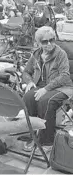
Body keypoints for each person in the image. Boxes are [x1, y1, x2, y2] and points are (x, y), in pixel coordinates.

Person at [22, 26, 73, 154]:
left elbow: (65, 75)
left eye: (52, 40)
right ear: (39, 43)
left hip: (62, 87)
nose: (49, 44)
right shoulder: (36, 54)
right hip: (41, 87)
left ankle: (47, 141)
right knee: (28, 97)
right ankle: (34, 135)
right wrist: (30, 82)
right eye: (45, 41)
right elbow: (26, 72)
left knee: (46, 101)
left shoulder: (60, 53)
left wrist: (45, 89)